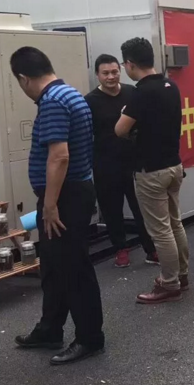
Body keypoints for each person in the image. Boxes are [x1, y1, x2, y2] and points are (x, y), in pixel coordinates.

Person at [11, 47, 104, 365]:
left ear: (24, 78)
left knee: (73, 268)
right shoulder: (70, 94)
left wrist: (50, 205)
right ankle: (49, 328)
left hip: (65, 198)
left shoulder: (52, 101)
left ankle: (90, 338)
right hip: (71, 192)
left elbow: (60, 156)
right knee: (53, 266)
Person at [115, 38, 189, 304]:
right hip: (173, 166)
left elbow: (120, 129)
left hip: (151, 171)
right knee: (175, 223)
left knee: (160, 230)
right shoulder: (171, 86)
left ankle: (169, 284)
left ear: (130, 64)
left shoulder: (141, 93)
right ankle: (181, 275)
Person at [85, 54, 158, 268]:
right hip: (105, 163)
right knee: (112, 209)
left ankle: (151, 249)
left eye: (114, 72)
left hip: (134, 161)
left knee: (141, 208)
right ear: (97, 75)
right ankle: (120, 249)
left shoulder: (132, 92)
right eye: (105, 73)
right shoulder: (89, 101)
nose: (111, 77)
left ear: (121, 70)